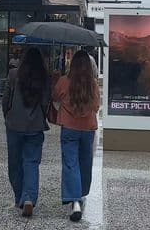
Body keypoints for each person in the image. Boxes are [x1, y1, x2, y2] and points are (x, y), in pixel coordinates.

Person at [52, 50, 100, 222]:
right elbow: (96, 107)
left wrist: (55, 79)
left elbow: (55, 97)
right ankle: (80, 194)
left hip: (69, 129)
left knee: (70, 163)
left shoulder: (65, 81)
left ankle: (75, 201)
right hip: (88, 129)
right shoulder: (93, 84)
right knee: (85, 163)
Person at [2, 47, 50, 217]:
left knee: (14, 163)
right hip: (35, 126)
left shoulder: (14, 74)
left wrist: (8, 115)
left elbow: (6, 99)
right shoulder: (44, 78)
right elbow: (45, 102)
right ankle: (28, 198)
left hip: (14, 124)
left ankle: (18, 197)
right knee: (31, 162)